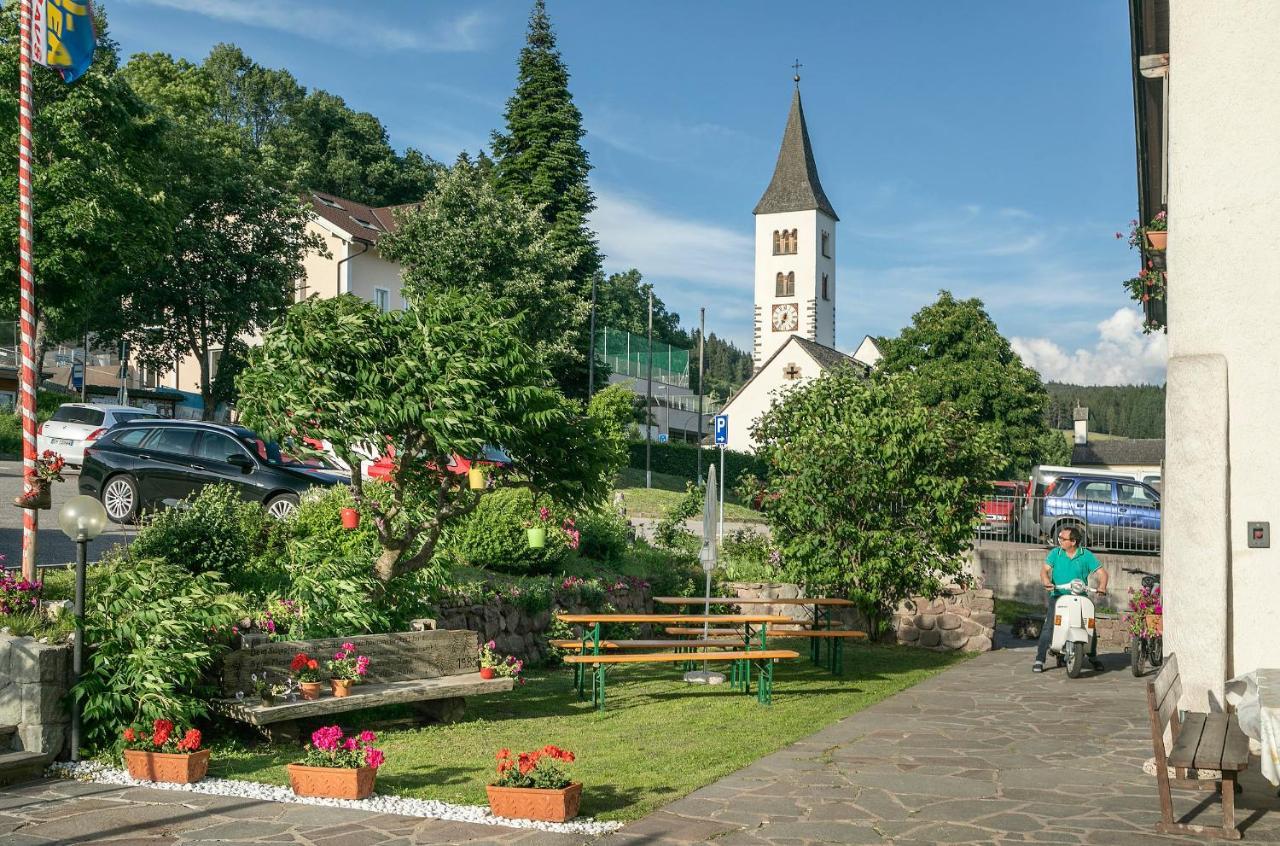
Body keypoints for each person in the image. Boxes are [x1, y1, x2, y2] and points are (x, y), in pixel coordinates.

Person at [1033, 524, 1109, 673]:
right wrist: (1047, 582)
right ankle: (1039, 659)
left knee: (1089, 626)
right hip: (1059, 595)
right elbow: (1044, 571)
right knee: (1049, 626)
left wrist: (1102, 586)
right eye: (1059, 537)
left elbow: (1102, 573)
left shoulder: (1086, 555)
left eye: (1063, 538)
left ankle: (1092, 656)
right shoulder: (1056, 553)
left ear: (1073, 542)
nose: (1059, 540)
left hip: (1080, 597)